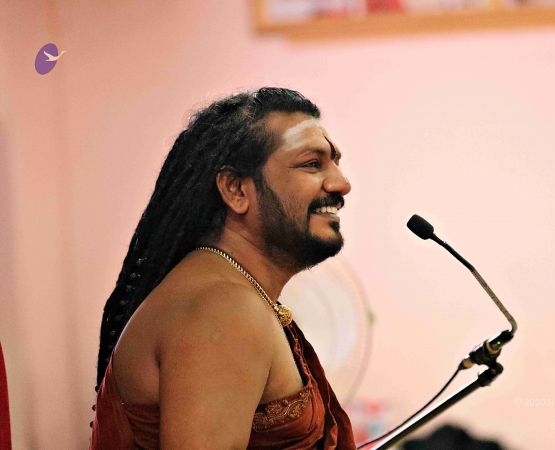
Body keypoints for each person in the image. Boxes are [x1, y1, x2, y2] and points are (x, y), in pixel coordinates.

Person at [89, 87, 356, 449]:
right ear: (235, 190)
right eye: (312, 163)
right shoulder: (224, 310)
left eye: (335, 161)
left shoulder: (228, 293)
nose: (341, 183)